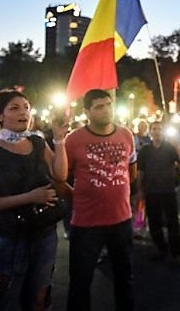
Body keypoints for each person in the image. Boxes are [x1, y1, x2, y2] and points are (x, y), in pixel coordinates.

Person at [0, 89, 69, 311]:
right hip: (8, 237)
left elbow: (60, 175)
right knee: (8, 297)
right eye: (14, 108)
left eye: (26, 107)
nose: (23, 113)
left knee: (39, 294)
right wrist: (30, 197)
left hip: (44, 233)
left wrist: (59, 139)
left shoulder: (37, 142)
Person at [65, 89, 137, 311]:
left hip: (121, 221)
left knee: (125, 279)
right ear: (87, 111)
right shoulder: (73, 140)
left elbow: (132, 172)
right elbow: (60, 177)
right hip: (86, 225)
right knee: (80, 283)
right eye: (99, 106)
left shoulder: (126, 135)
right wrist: (76, 195)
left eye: (108, 105)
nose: (106, 110)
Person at [137, 121, 180, 261]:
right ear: (150, 132)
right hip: (151, 190)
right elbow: (141, 172)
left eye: (159, 128)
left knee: (172, 221)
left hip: (168, 190)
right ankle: (161, 248)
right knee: (154, 221)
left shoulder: (169, 148)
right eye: (154, 129)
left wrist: (177, 146)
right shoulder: (145, 150)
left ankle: (176, 252)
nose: (157, 131)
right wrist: (140, 190)